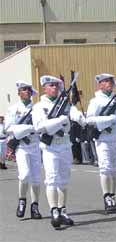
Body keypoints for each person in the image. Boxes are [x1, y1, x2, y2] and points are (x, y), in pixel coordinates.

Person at [32, 75, 86, 228]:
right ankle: (54, 210)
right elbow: (39, 127)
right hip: (50, 147)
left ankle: (62, 209)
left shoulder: (65, 104)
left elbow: (74, 113)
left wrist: (80, 117)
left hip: (64, 145)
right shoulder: (39, 106)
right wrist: (59, 120)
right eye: (51, 85)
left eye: (56, 85)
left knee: (64, 179)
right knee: (52, 178)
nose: (54, 88)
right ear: (44, 88)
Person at [86, 73, 116, 214]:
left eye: (110, 81)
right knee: (105, 168)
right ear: (100, 84)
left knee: (114, 170)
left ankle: (113, 195)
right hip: (103, 139)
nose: (109, 84)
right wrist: (106, 121)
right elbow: (89, 119)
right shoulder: (95, 101)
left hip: (115, 137)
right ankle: (107, 196)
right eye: (106, 81)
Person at [5, 81, 42, 219]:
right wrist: (23, 131)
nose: (27, 91)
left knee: (36, 178)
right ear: (19, 93)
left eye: (29, 90)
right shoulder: (13, 109)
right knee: (25, 175)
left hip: (35, 144)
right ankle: (22, 200)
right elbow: (7, 128)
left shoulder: (37, 108)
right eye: (24, 89)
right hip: (22, 146)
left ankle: (35, 206)